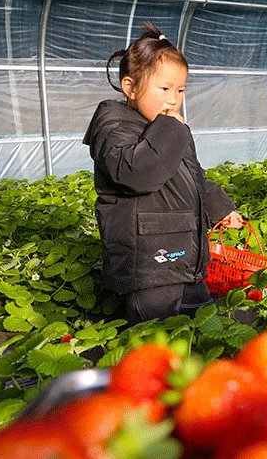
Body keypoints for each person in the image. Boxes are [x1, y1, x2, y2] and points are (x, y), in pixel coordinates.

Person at [83, 22, 243, 324]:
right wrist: (171, 129)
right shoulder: (114, 123)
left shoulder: (170, 128)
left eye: (180, 90)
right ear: (130, 87)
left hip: (187, 258)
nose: (173, 99)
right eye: (165, 89)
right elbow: (136, 171)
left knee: (203, 324)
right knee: (155, 334)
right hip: (148, 265)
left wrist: (219, 207)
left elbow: (191, 175)